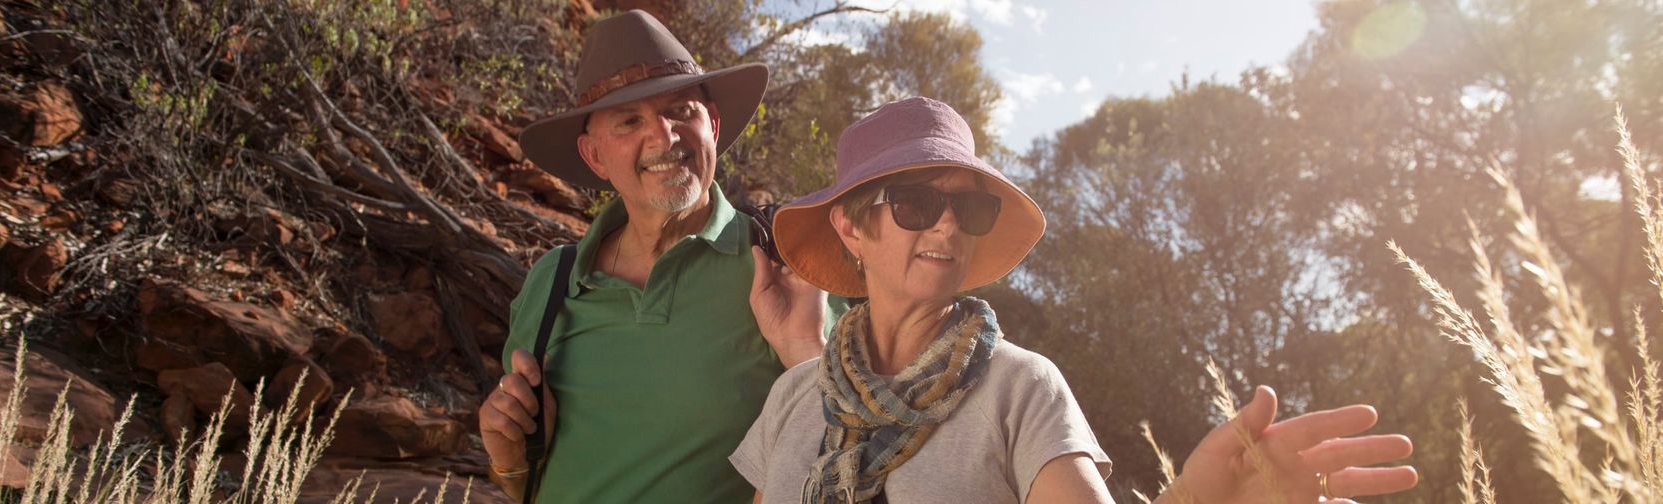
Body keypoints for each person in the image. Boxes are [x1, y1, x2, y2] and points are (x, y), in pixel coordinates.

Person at [731, 97, 1421, 503]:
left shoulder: (1020, 389)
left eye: (966, 208)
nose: (945, 224)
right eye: (915, 202)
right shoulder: (795, 400)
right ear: (851, 226)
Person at [476, 10, 827, 503]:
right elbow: (526, 485)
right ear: (594, 155)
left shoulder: (785, 269)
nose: (664, 137)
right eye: (629, 121)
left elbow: (846, 457)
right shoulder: (551, 281)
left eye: (682, 110)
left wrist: (810, 357)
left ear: (714, 124)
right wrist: (510, 463)